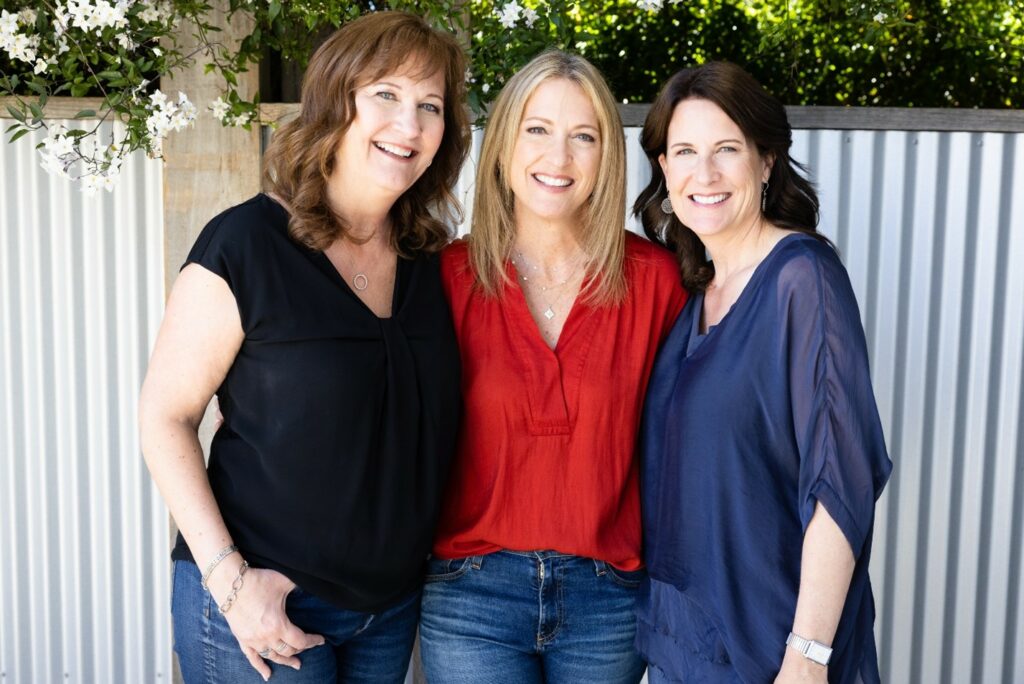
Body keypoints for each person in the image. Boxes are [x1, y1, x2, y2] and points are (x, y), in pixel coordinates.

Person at [138, 12, 468, 683]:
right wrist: (231, 582)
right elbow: (164, 416)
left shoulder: (431, 263)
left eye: (429, 105)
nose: (408, 125)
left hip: (389, 611)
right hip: (265, 605)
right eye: (386, 94)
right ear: (334, 100)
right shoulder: (246, 245)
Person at [417, 50, 687, 684]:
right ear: (504, 146)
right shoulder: (445, 277)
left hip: (609, 598)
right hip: (471, 591)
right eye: (537, 129)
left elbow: (689, 446)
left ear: (607, 156)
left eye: (583, 136)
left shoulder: (657, 282)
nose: (558, 157)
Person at [633, 61, 893, 683]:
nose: (705, 174)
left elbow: (840, 481)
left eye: (727, 149)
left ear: (767, 161)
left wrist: (807, 656)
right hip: (681, 648)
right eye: (685, 152)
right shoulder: (692, 293)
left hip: (773, 653)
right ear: (664, 168)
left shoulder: (802, 279)